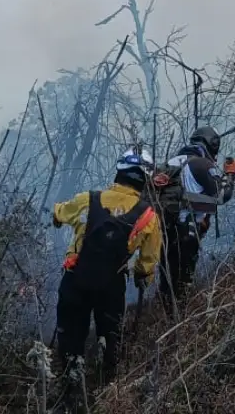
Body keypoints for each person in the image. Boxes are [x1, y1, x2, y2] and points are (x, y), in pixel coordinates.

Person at [51, 148, 162, 398]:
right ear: (144, 181)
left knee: (70, 337)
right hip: (111, 287)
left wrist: (57, 215)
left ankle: (71, 388)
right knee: (111, 337)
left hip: (75, 281)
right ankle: (107, 390)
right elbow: (149, 259)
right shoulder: (148, 216)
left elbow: (60, 212)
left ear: (118, 171)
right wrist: (143, 277)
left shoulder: (88, 199)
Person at [151, 126, 235, 312]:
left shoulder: (170, 163)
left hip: (162, 233)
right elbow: (222, 195)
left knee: (167, 284)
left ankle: (162, 321)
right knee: (182, 287)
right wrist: (230, 175)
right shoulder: (200, 164)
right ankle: (180, 327)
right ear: (211, 144)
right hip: (186, 235)